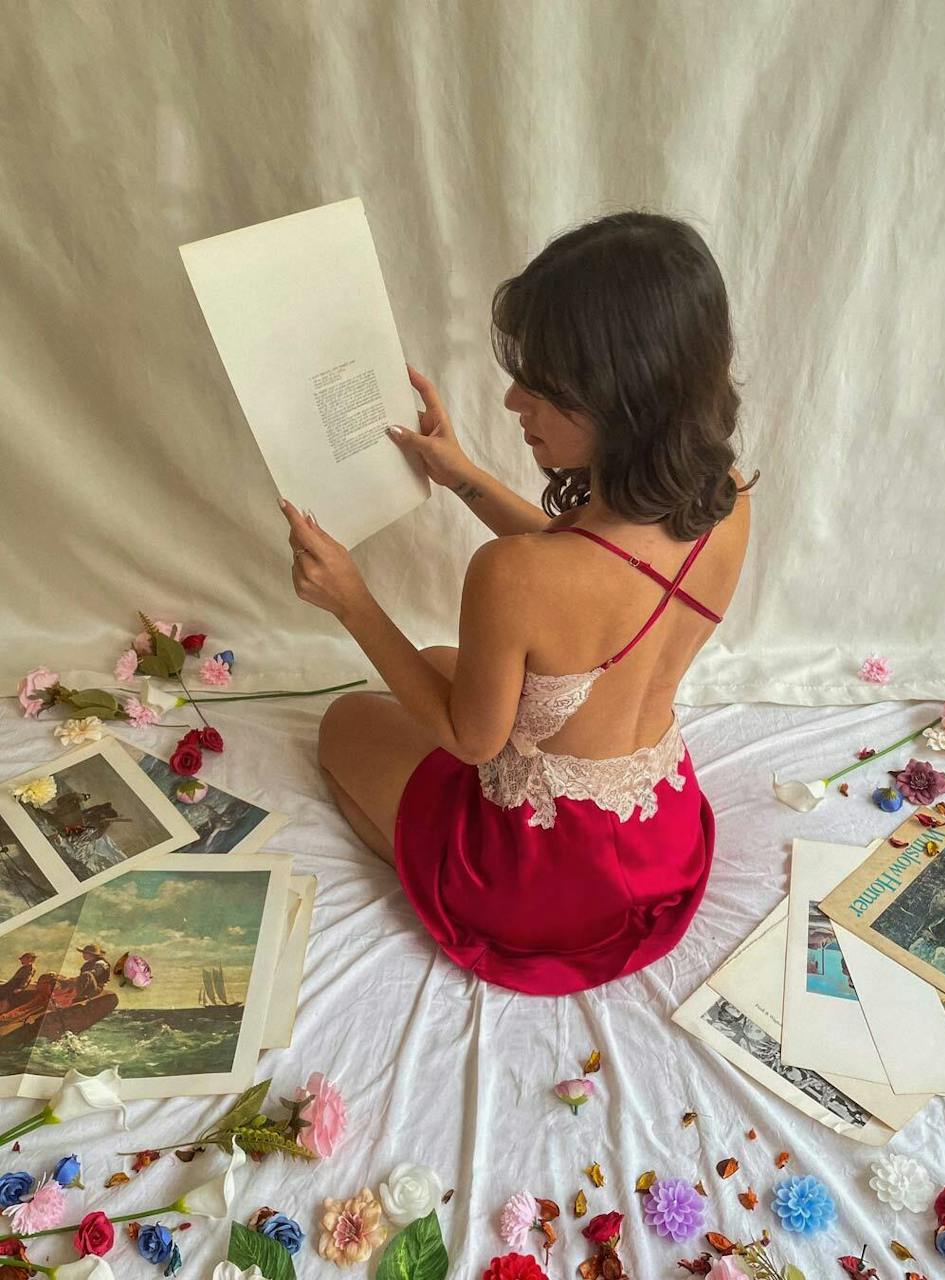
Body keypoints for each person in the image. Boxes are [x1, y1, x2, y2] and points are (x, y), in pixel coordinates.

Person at [280, 210, 758, 996]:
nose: (511, 402)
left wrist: (351, 600)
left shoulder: (512, 576)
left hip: (541, 882)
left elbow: (472, 742)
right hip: (659, 841)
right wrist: (463, 477)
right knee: (441, 660)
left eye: (542, 388)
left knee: (344, 722)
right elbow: (601, 574)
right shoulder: (726, 498)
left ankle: (434, 879)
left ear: (622, 396)